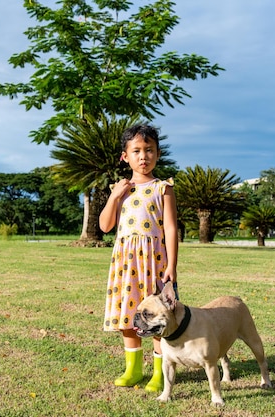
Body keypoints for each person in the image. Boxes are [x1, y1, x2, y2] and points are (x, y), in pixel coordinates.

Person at [99, 123, 179, 392]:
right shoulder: (120, 189)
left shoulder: (163, 188)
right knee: (127, 316)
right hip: (126, 263)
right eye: (136, 151)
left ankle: (160, 373)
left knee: (157, 317)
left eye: (149, 150)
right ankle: (133, 369)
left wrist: (172, 265)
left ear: (158, 154)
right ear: (125, 156)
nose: (143, 156)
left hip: (154, 261)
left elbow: (170, 228)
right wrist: (114, 196)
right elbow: (105, 226)